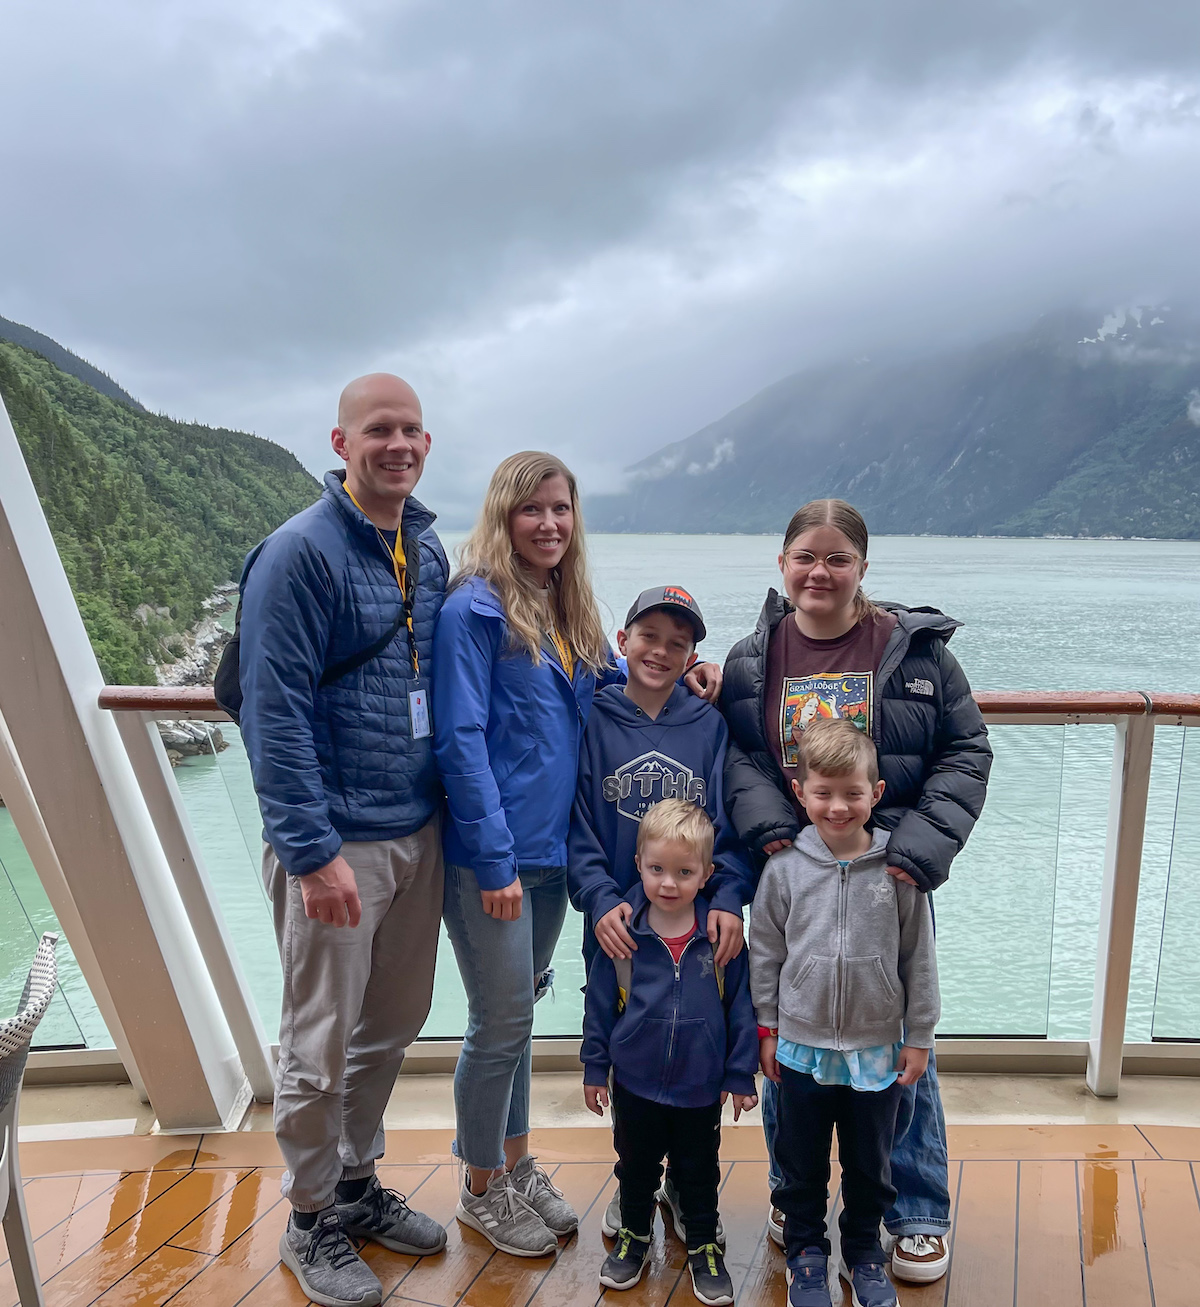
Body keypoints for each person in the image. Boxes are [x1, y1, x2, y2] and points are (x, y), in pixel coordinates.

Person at [432, 452, 722, 1258]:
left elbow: (610, 682)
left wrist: (689, 670)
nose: (550, 523)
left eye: (561, 508)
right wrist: (491, 860)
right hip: (497, 856)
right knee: (499, 1023)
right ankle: (479, 1185)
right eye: (532, 510)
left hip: (556, 852)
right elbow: (459, 740)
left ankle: (516, 1163)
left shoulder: (564, 607)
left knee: (520, 1017)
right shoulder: (475, 609)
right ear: (502, 514)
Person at [720, 498, 991, 1284]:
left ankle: (916, 1210)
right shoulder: (752, 657)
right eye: (805, 555)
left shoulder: (915, 652)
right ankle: (792, 1194)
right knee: (788, 1032)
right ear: (782, 563)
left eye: (838, 558)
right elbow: (737, 756)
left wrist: (917, 846)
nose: (820, 571)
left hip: (891, 875)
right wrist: (774, 833)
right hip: (797, 874)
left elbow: (967, 747)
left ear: (863, 568)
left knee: (903, 1036)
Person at [239, 374, 449, 1307]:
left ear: (427, 442)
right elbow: (271, 711)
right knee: (318, 1043)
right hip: (337, 843)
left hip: (416, 829)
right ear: (341, 440)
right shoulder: (298, 553)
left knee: (393, 1023)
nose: (396, 444)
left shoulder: (426, 546)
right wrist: (311, 849)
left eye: (410, 430)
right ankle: (309, 1215)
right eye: (378, 430)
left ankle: (355, 1183)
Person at [568, 585, 756, 1242]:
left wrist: (728, 897)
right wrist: (598, 899)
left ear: (692, 655)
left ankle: (685, 1184)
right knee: (632, 1050)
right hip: (619, 928)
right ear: (622, 642)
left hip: (694, 931)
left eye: (679, 643)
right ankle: (637, 1186)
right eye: (649, 636)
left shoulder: (708, 726)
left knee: (696, 1048)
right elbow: (580, 827)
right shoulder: (592, 717)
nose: (661, 650)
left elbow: (731, 829)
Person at [751, 720, 939, 1307]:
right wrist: (767, 1025)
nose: (837, 807)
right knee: (800, 1162)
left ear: (876, 794)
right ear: (800, 791)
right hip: (801, 1046)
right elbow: (766, 951)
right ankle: (807, 1254)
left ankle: (862, 1253)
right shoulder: (783, 870)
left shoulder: (898, 872)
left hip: (876, 1049)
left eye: (852, 793)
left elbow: (919, 959)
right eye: (823, 793)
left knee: (870, 1164)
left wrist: (920, 1035)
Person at [582, 801, 759, 1306]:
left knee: (699, 1168)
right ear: (638, 864)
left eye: (685, 872)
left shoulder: (721, 939)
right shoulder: (623, 937)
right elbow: (598, 1008)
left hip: (701, 1085)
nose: (668, 883)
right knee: (635, 1167)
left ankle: (703, 1243)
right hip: (635, 1083)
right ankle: (634, 1237)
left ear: (707, 874)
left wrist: (740, 1074)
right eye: (657, 869)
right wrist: (596, 1067)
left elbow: (740, 1008)